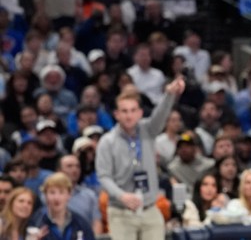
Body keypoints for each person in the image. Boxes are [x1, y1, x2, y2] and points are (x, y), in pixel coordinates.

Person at [96, 77, 185, 240]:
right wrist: (122, 195)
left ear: (140, 113)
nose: (129, 115)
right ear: (116, 114)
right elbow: (104, 176)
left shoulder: (148, 130)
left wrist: (169, 94)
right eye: (124, 111)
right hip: (121, 211)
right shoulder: (107, 141)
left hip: (149, 208)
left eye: (132, 110)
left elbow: (161, 114)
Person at [29, 172, 96, 240]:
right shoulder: (37, 221)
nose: (56, 198)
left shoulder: (80, 223)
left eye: (61, 192)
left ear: (69, 195)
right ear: (45, 195)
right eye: (52, 192)